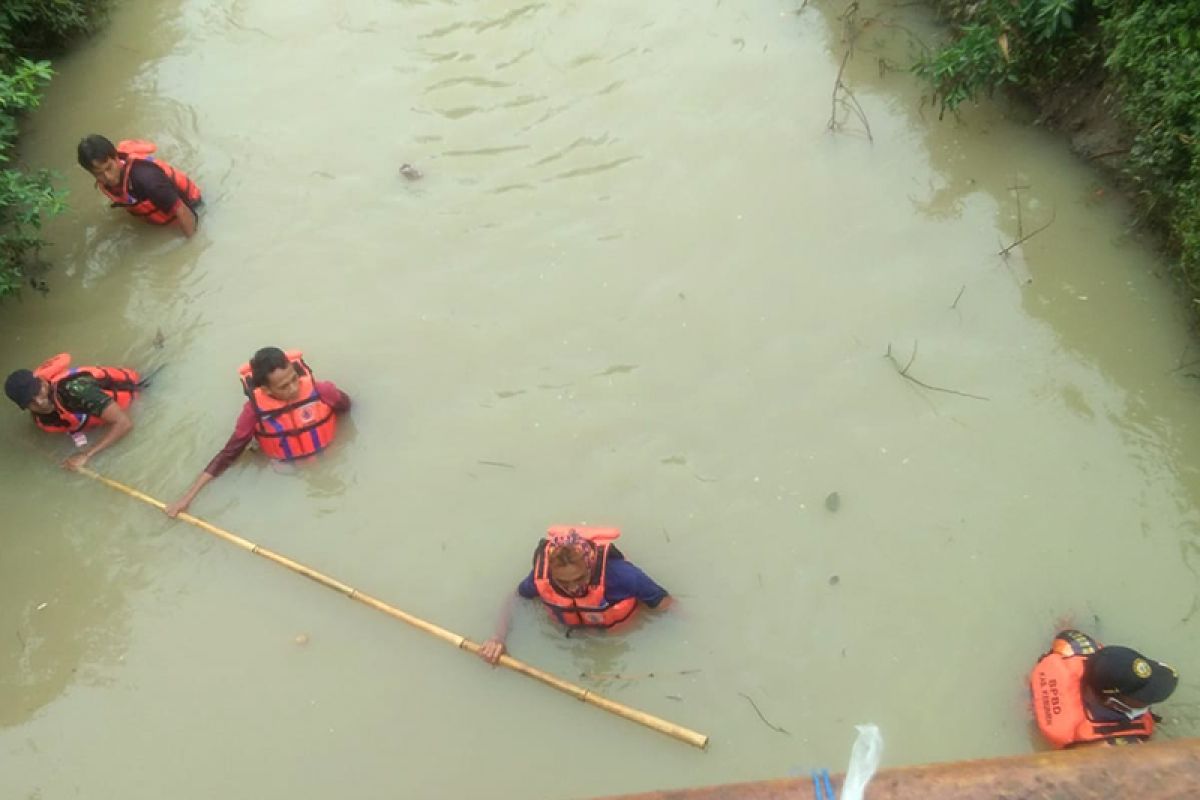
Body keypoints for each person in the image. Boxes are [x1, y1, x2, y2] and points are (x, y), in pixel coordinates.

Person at [164, 348, 350, 517]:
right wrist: (187, 498)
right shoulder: (252, 413)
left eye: (294, 379)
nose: (294, 388)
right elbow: (228, 455)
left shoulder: (322, 391)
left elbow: (348, 410)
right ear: (266, 390)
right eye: (284, 386)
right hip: (287, 469)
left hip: (330, 459)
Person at [478, 526, 670, 665]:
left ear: (590, 567)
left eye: (579, 579)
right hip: (570, 641)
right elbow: (514, 599)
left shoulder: (623, 576)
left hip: (622, 639)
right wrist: (498, 638)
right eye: (564, 582)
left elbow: (666, 604)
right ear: (553, 574)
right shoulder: (541, 579)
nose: (572, 588)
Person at [1030, 629, 1178, 748]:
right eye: (1144, 698)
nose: (1150, 702)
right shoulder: (1101, 745)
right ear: (1113, 702)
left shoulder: (1075, 644)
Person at [4, 353, 140, 470]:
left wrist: (87, 454)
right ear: (24, 406)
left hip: (139, 391)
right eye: (30, 402)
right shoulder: (39, 417)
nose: (39, 402)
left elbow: (125, 423)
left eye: (38, 393)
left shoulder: (76, 390)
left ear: (43, 383)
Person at [77, 135, 202, 237]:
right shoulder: (108, 180)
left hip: (192, 207)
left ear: (116, 157)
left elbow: (182, 210)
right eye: (99, 174)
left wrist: (192, 245)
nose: (108, 177)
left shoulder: (148, 179)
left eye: (109, 168)